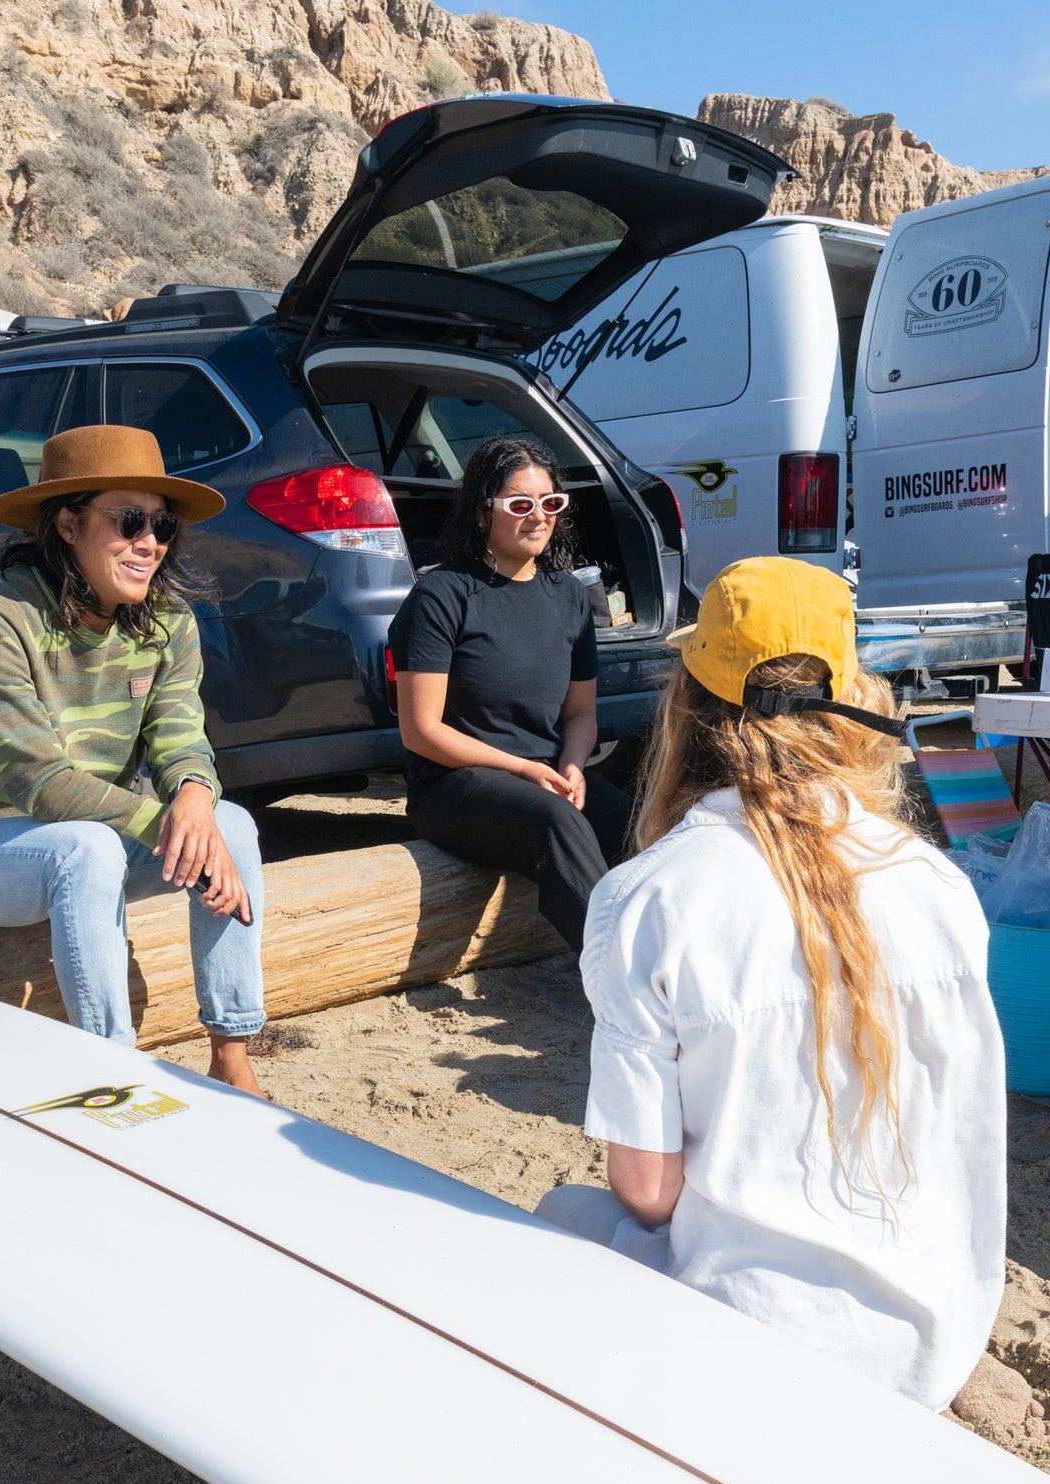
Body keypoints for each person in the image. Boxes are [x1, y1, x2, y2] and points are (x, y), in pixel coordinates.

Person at [537, 556, 1031, 1421]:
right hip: (931, 1337)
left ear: (690, 705)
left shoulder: (647, 897)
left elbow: (648, 1190)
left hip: (746, 1338)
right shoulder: (940, 886)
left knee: (559, 1214)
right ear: (854, 697)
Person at [0, 425, 267, 1093]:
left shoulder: (167, 620)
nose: (150, 541)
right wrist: (169, 824)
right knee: (88, 850)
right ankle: (111, 1069)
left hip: (88, 839)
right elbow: (39, 783)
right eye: (129, 519)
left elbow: (182, 738)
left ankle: (233, 1059)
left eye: (162, 524)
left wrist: (191, 793)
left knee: (232, 826)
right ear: (68, 526)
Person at [388, 432, 632, 953]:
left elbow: (581, 714)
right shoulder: (442, 594)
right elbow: (420, 731)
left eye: (550, 503)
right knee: (557, 820)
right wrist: (524, 770)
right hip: (454, 785)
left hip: (547, 777)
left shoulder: (567, 594)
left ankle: (681, 967)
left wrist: (571, 764)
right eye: (520, 504)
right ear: (482, 512)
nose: (538, 516)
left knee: (637, 822)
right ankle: (618, 982)